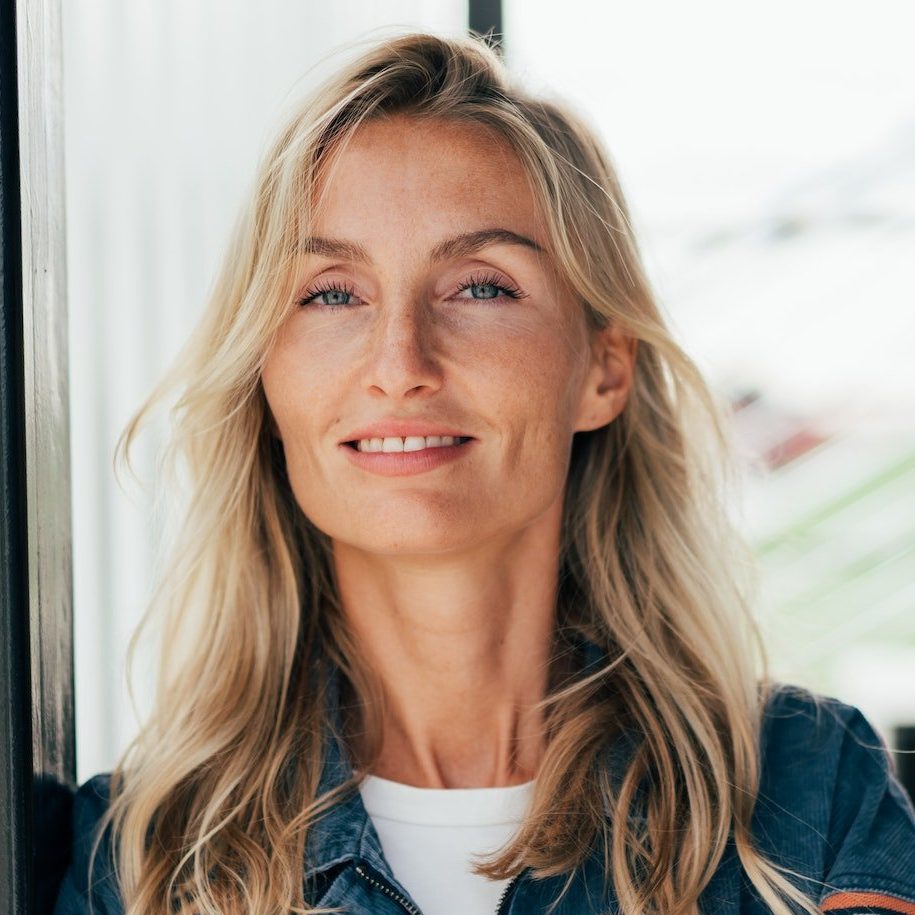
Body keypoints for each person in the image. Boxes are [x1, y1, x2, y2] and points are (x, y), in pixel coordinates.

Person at [53, 30, 915, 915]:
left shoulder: (803, 792)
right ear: (266, 376)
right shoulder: (137, 860)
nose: (399, 361)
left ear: (602, 369)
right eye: (331, 293)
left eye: (480, 286)